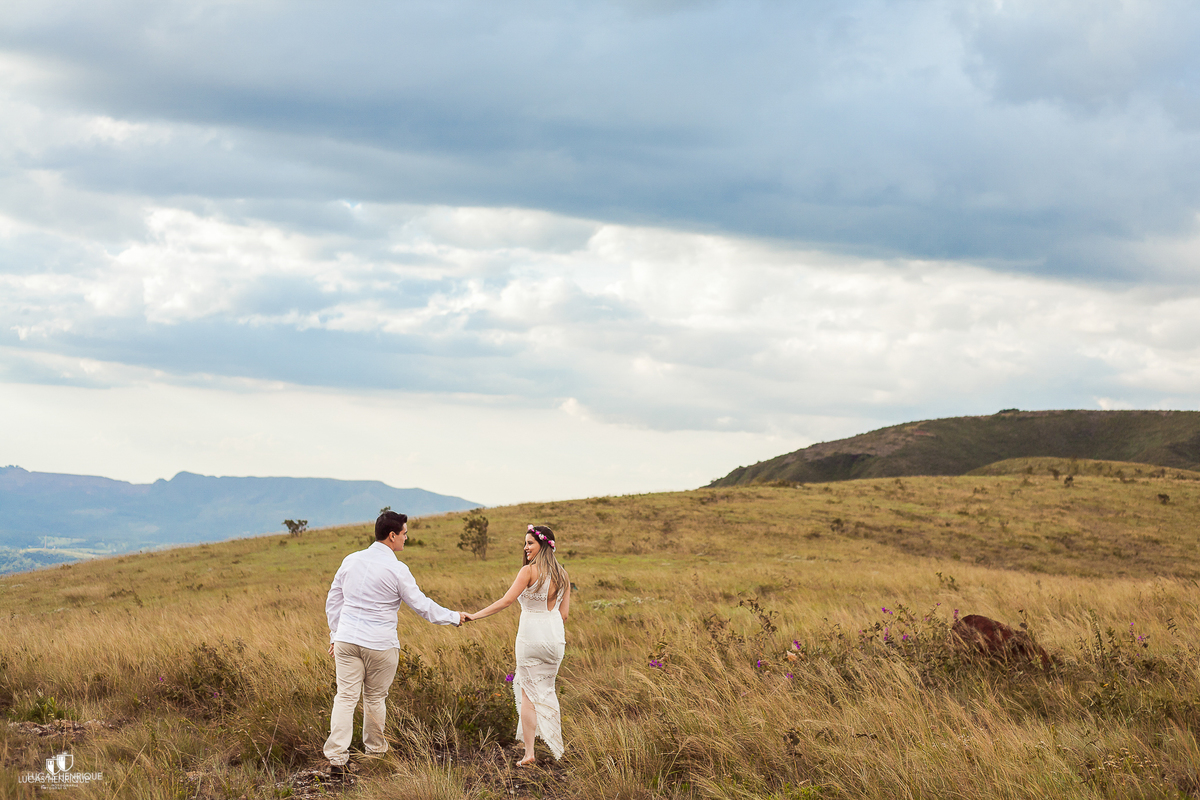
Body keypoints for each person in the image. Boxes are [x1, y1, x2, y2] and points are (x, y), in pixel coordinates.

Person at [323, 510, 472, 780]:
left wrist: (335, 634)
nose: (406, 538)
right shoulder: (397, 569)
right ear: (392, 536)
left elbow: (334, 599)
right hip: (379, 644)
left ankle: (337, 758)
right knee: (374, 698)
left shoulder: (351, 560)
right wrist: (454, 617)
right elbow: (422, 606)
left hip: (346, 640)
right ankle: (375, 753)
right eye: (404, 533)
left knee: (345, 697)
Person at [470, 524, 571, 765]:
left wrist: (474, 616)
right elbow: (564, 614)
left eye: (530, 543)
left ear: (544, 545)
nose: (525, 548)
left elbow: (506, 601)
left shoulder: (528, 571)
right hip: (555, 638)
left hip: (530, 636)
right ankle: (555, 742)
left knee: (527, 692)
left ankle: (529, 752)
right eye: (525, 543)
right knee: (547, 689)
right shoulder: (563, 575)